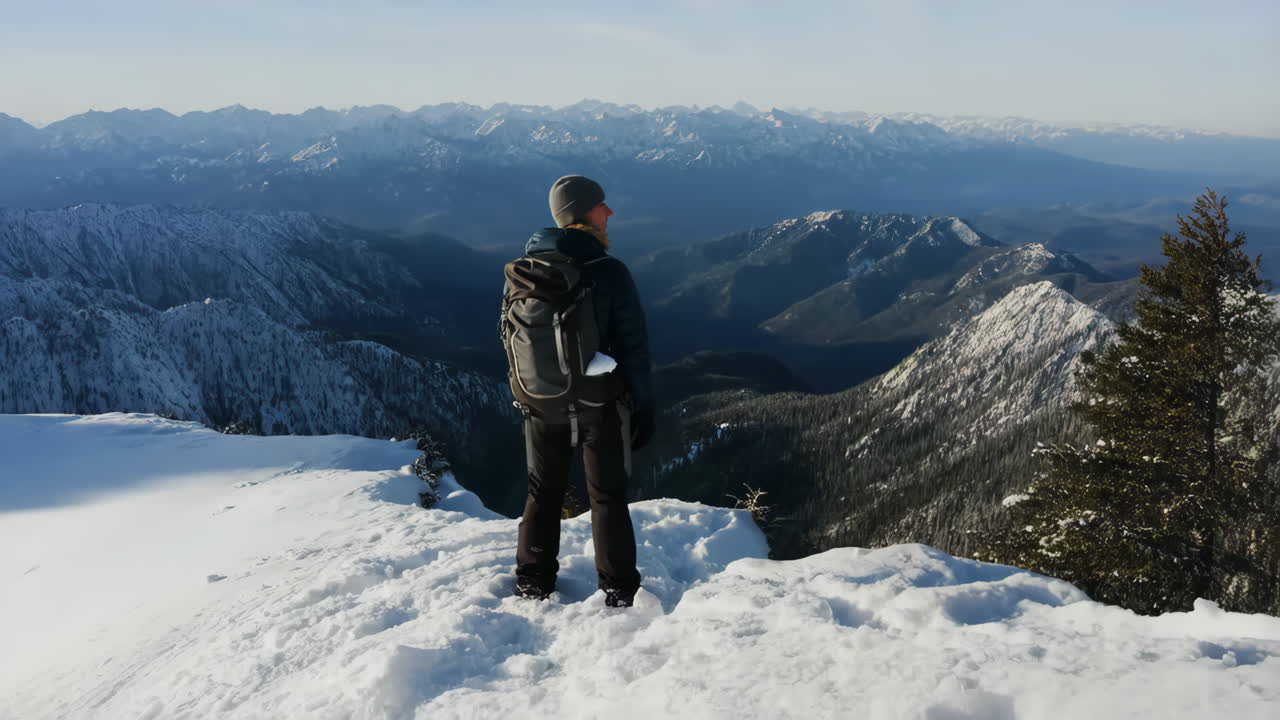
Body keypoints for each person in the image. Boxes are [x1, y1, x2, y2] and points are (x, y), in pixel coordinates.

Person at [504, 174, 655, 607]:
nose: (609, 213)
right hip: (598, 404)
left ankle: (533, 582)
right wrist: (644, 407)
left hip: (540, 401)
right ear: (580, 213)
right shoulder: (608, 272)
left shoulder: (525, 271)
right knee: (606, 497)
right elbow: (634, 347)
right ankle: (619, 590)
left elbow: (509, 334)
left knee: (541, 494)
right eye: (600, 206)